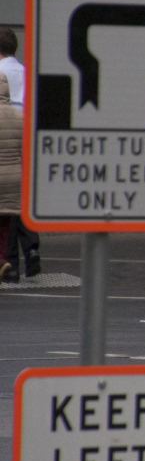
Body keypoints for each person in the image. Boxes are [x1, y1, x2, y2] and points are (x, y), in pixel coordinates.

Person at [0, 28, 38, 280]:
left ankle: (9, 263)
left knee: (6, 212)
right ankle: (33, 252)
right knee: (22, 203)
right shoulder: (26, 73)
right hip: (24, 137)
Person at [0, 73, 20, 282]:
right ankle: (3, 259)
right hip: (13, 180)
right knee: (5, 226)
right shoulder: (19, 116)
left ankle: (0, 261)